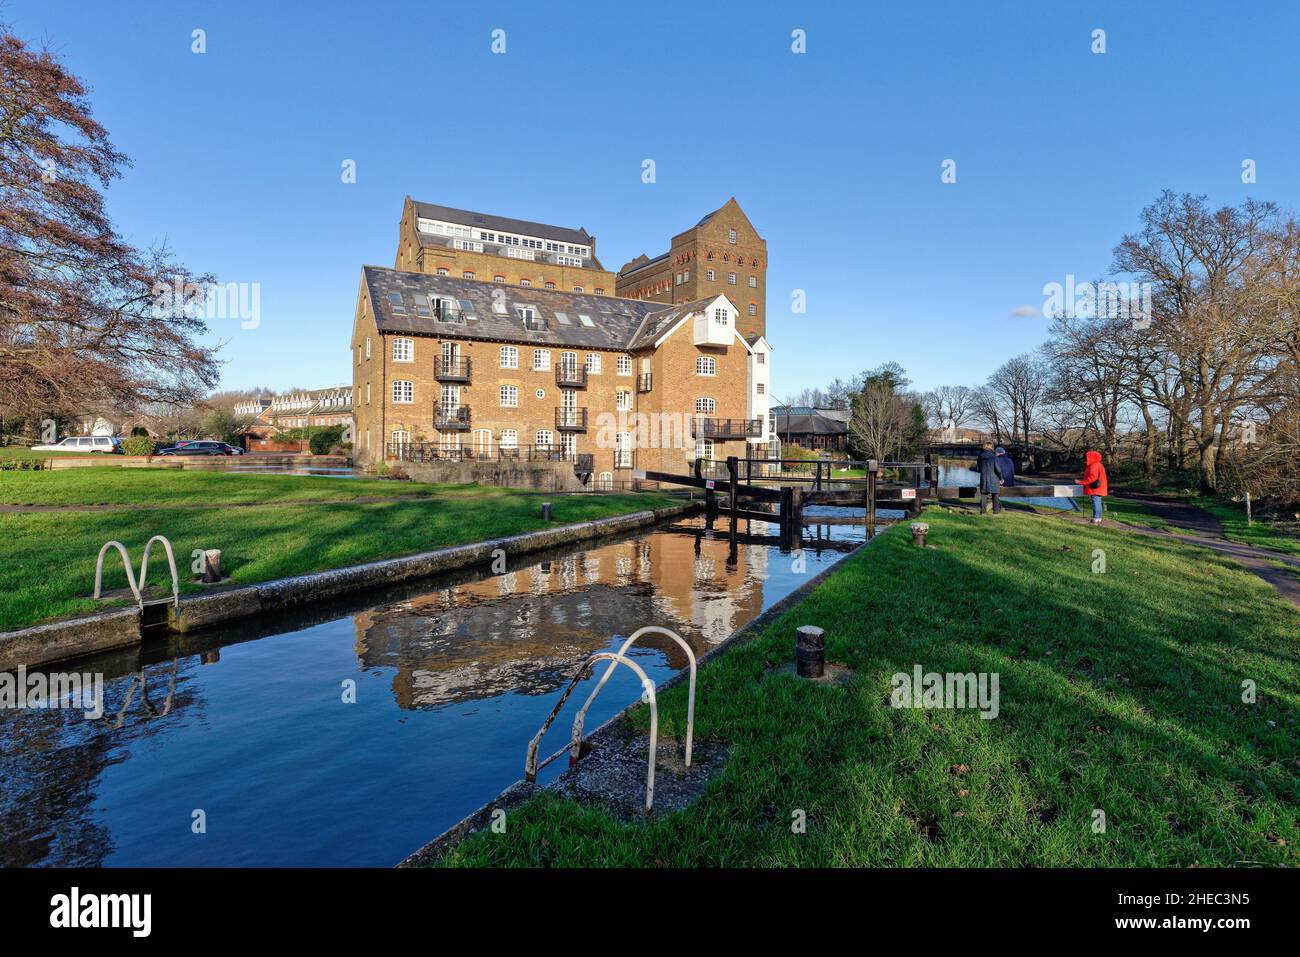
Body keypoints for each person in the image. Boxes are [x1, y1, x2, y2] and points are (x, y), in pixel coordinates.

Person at [1079, 449, 1108, 524]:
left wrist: (1081, 482)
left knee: (1096, 502)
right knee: (1098, 502)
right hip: (1100, 487)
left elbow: (1092, 477)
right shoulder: (1099, 464)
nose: (1086, 459)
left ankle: (1096, 518)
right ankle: (1099, 518)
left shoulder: (1094, 465)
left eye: (1087, 457)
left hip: (1095, 488)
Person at [972, 442, 1002, 514]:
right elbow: (997, 469)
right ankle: (995, 512)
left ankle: (983, 513)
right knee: (995, 495)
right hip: (994, 479)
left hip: (984, 478)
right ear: (991, 447)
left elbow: (978, 469)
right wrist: (1001, 478)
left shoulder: (980, 456)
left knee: (983, 496)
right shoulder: (994, 456)